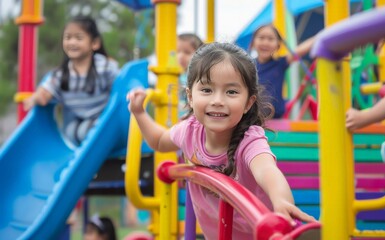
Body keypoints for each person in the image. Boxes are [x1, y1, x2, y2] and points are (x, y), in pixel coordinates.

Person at [127, 42, 316, 239]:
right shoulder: (189, 130)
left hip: (260, 233)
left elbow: (267, 170)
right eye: (207, 90)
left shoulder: (249, 139)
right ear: (190, 97)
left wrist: (281, 200)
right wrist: (139, 113)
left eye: (231, 92)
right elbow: (159, 141)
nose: (218, 100)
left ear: (248, 103)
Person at [23, 16, 119, 145]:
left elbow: (121, 86)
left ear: (94, 43)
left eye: (79, 38)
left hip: (104, 120)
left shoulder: (104, 66)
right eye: (67, 38)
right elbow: (45, 94)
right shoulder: (61, 74)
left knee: (85, 130)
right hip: (77, 122)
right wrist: (35, 97)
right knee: (70, 133)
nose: (72, 42)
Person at [250, 24, 317, 118]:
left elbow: (300, 50)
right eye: (261, 38)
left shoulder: (280, 64)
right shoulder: (248, 66)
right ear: (253, 42)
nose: (265, 42)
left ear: (278, 45)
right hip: (252, 118)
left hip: (276, 119)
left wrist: (319, 36)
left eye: (270, 39)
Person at [177, 33, 204, 117]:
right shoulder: (175, 76)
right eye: (177, 52)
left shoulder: (198, 76)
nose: (181, 56)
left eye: (187, 52)